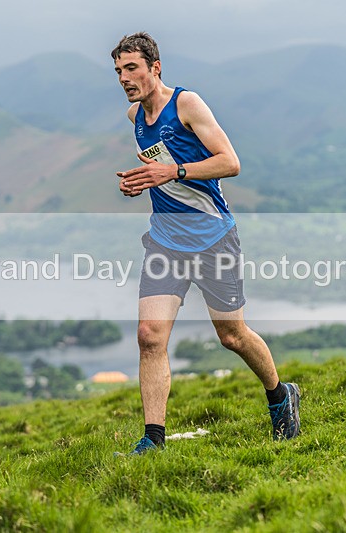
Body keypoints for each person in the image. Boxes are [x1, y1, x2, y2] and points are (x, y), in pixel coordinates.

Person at [111, 32, 301, 455]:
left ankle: (280, 396)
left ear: (155, 67)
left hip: (214, 237)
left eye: (132, 68)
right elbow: (160, 172)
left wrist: (173, 172)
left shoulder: (186, 104)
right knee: (149, 335)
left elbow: (229, 163)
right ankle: (153, 441)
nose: (125, 78)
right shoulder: (134, 117)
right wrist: (141, 182)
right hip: (165, 242)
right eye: (119, 71)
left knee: (232, 335)